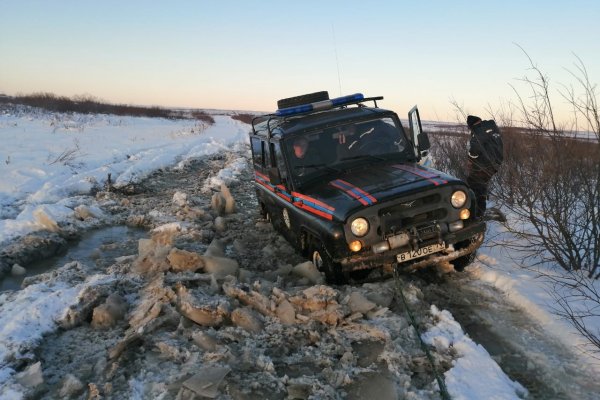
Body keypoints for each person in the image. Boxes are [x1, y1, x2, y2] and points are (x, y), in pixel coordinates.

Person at [465, 115, 504, 220]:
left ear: (471, 125)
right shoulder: (492, 127)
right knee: (480, 185)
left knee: (473, 185)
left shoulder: (479, 131)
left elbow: (475, 149)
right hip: (495, 163)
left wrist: (470, 159)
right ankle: (479, 211)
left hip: (483, 164)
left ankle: (476, 213)